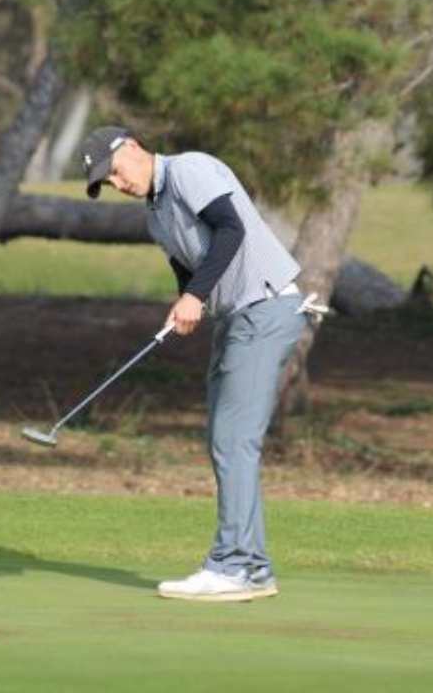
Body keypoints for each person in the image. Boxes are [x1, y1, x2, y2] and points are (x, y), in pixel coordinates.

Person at [80, 125, 326, 602]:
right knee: (224, 439)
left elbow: (230, 229)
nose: (117, 184)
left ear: (131, 148)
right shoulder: (155, 215)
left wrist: (195, 296)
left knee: (234, 440)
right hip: (236, 318)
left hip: (267, 308)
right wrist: (184, 303)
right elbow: (188, 269)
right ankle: (250, 565)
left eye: (113, 173)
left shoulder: (190, 169)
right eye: (106, 183)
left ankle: (234, 565)